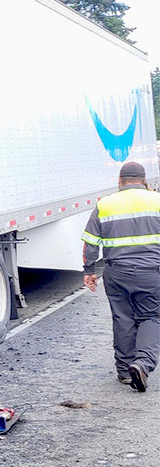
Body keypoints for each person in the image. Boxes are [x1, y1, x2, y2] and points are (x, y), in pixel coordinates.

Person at [82, 161, 160, 391]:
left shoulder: (105, 204)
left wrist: (89, 271)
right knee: (151, 317)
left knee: (122, 318)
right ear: (144, 180)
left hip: (116, 273)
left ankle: (125, 371)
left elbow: (90, 243)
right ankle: (143, 364)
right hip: (151, 272)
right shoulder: (157, 201)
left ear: (119, 181)